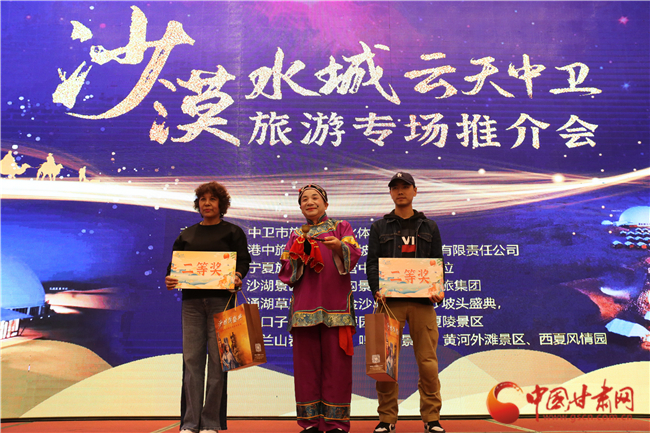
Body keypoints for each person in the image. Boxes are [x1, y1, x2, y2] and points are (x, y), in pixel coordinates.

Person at [165, 181, 252, 433]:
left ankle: (211, 422)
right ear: (198, 204)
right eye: (202, 199)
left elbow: (243, 261)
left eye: (212, 199)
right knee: (192, 362)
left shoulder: (232, 232)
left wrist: (238, 275)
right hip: (191, 304)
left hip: (222, 302)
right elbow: (174, 265)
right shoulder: (187, 234)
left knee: (218, 362)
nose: (207, 203)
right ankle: (190, 423)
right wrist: (170, 278)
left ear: (221, 204)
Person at [279, 184, 362, 433]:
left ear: (326, 203)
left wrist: (338, 246)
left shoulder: (341, 227)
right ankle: (309, 423)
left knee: (338, 368)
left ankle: (336, 424)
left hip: (337, 309)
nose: (309, 202)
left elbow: (354, 255)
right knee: (306, 369)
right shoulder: (296, 235)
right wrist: (297, 255)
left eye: (315, 197)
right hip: (304, 310)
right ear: (300, 207)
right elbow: (286, 274)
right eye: (304, 199)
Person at [366, 172, 446, 433]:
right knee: (385, 364)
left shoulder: (429, 226)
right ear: (390, 193)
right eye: (395, 188)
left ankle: (431, 418)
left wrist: (438, 288)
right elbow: (372, 263)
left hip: (423, 303)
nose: (400, 191)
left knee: (428, 363)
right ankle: (387, 418)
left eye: (405, 187)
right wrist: (376, 289)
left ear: (415, 191)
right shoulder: (379, 227)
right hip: (389, 303)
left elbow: (437, 261)